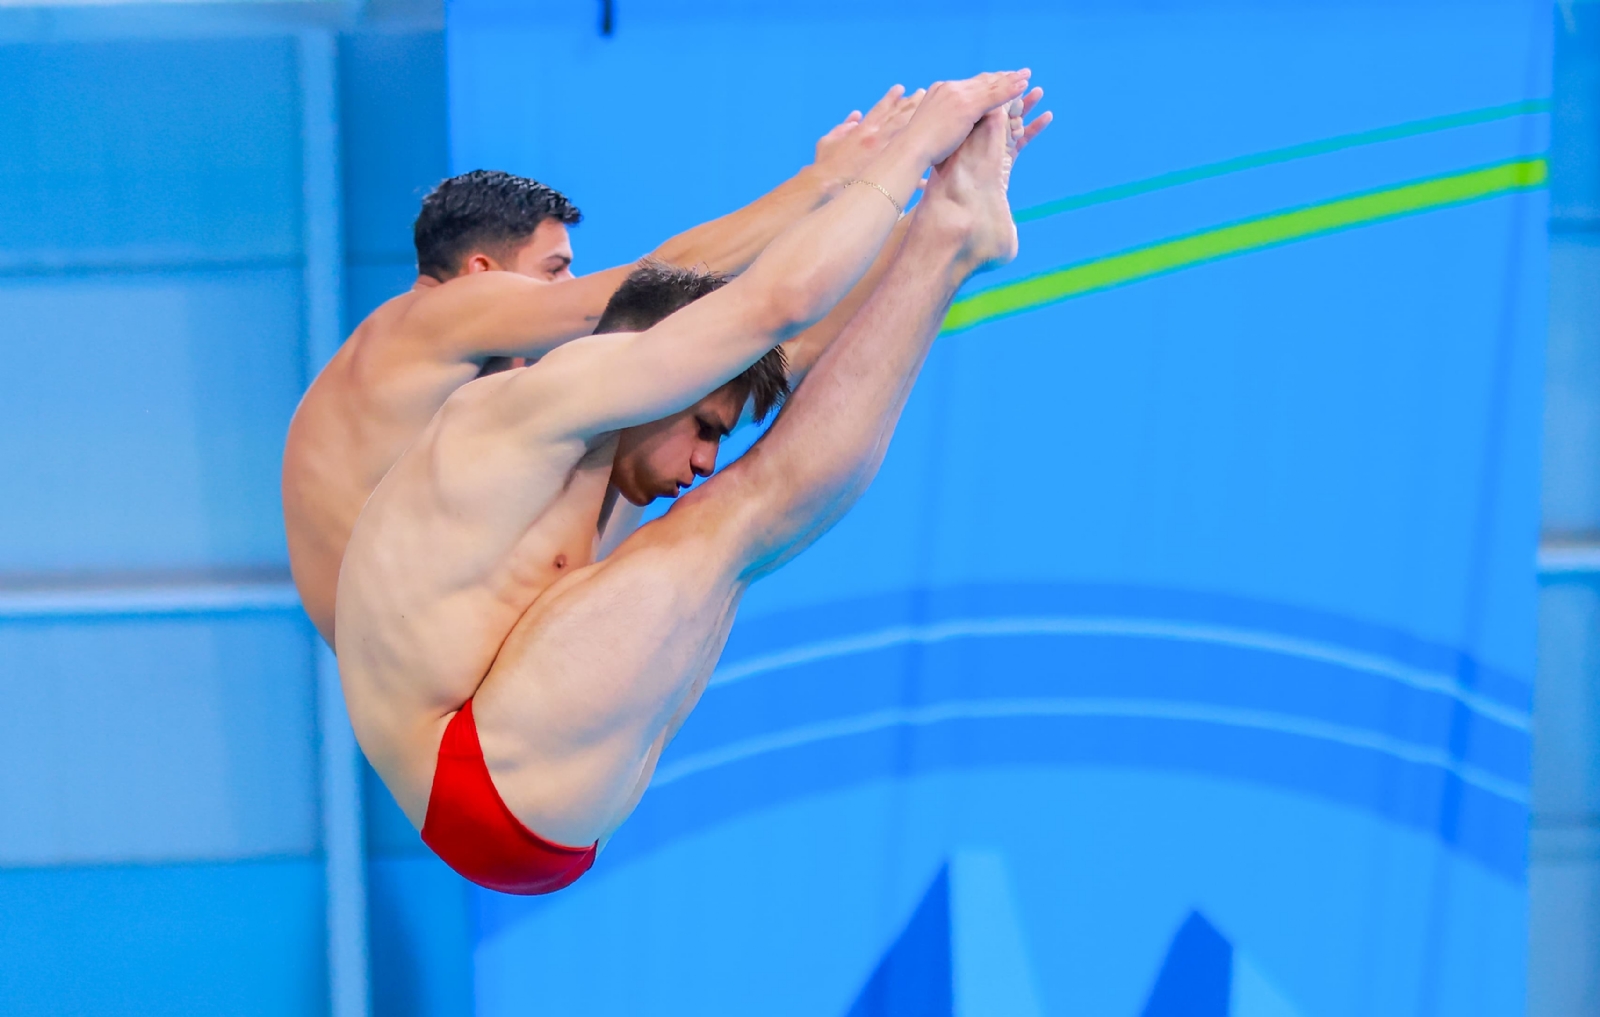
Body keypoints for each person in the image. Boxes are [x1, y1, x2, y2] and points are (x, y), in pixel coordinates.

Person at [335, 71, 1049, 894]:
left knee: (749, 496)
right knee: (739, 513)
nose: (705, 457)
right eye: (704, 427)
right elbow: (778, 301)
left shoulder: (600, 428)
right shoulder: (531, 407)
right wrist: (920, 145)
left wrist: (929, 209)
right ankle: (950, 235)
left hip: (525, 787)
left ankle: (949, 237)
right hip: (475, 775)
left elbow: (800, 349)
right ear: (656, 363)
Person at [283, 85, 924, 646]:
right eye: (556, 270)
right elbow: (654, 282)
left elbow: (770, 350)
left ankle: (935, 229)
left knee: (726, 372)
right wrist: (823, 187)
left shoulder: (487, 393)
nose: (571, 286)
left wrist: (911, 224)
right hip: (416, 641)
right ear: (479, 271)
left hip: (443, 636)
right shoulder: (423, 319)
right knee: (696, 391)